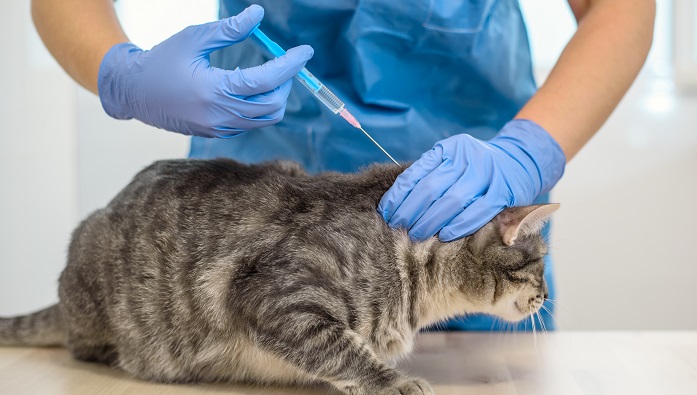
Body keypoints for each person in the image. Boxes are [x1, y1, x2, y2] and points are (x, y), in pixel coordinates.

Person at [32, 0, 655, 330]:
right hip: (263, 188)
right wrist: (121, 71)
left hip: (475, 200)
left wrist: (532, 149)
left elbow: (621, 7)